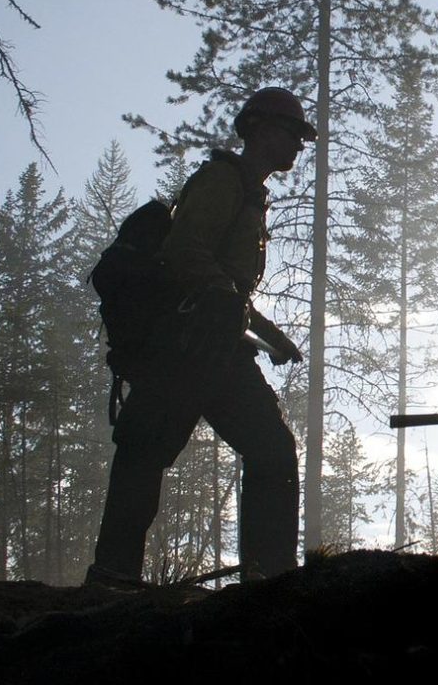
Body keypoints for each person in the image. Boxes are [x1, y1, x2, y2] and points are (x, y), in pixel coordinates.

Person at [86, 87, 309, 586]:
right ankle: (112, 577)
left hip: (217, 348)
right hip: (184, 347)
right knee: (145, 451)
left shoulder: (248, 193)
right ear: (258, 129)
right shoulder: (221, 181)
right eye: (292, 132)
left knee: (270, 450)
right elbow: (185, 252)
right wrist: (224, 300)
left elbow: (227, 285)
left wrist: (271, 336)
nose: (298, 144)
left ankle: (268, 579)